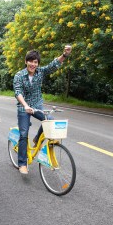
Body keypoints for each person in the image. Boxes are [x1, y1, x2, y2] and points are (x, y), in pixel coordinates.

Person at [13, 45, 72, 175]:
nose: (33, 64)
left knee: (49, 119)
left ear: (37, 64)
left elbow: (53, 65)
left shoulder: (40, 72)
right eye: (30, 61)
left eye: (35, 62)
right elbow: (18, 92)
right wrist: (25, 105)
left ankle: (36, 139)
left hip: (37, 105)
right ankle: (22, 163)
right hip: (24, 107)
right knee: (23, 134)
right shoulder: (19, 75)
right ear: (26, 62)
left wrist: (65, 55)